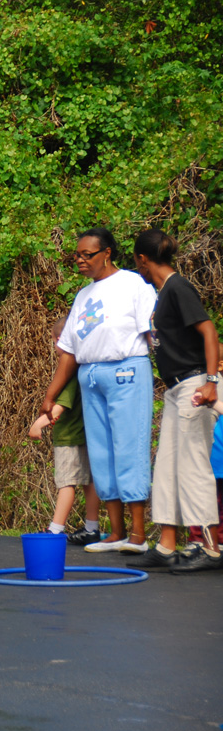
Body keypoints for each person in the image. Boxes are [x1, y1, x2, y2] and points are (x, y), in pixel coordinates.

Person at [42, 228, 157, 554]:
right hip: (91, 378)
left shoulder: (133, 283)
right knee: (102, 454)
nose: (79, 260)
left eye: (86, 254)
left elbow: (152, 330)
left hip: (125, 371)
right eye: (76, 255)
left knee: (128, 448)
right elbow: (70, 352)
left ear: (107, 253)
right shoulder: (83, 296)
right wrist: (50, 394)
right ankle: (115, 532)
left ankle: (138, 534)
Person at [131, 229, 219, 570]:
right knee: (166, 467)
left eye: (136, 261)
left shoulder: (178, 286)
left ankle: (209, 547)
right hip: (175, 389)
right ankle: (167, 544)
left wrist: (211, 382)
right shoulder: (163, 292)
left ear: (142, 258)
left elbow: (208, 330)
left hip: (197, 384)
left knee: (194, 467)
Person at [28, 319, 102, 542]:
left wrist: (39, 423)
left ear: (60, 340)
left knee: (66, 482)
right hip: (86, 433)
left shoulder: (69, 370)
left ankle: (55, 529)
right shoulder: (85, 366)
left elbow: (62, 403)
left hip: (69, 435)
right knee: (89, 481)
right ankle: (92, 526)